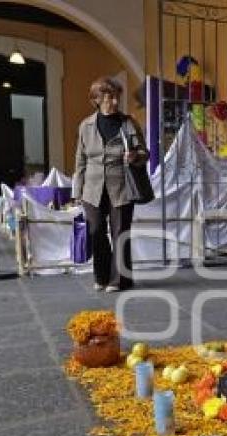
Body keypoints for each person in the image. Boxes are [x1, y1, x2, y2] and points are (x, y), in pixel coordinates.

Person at [72, 77, 148, 292]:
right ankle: (102, 276)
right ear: (96, 99)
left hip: (121, 186)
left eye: (116, 96)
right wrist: (77, 191)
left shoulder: (128, 123)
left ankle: (120, 280)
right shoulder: (85, 126)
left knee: (120, 232)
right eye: (109, 97)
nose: (115, 101)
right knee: (96, 231)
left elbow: (145, 153)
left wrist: (135, 156)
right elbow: (80, 160)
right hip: (92, 189)